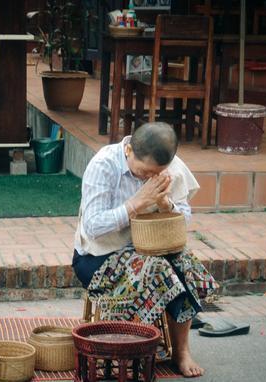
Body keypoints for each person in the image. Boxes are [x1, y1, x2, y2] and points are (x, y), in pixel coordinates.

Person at [72, 122, 217, 378]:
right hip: (97, 257)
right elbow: (92, 226)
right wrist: (136, 204)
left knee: (183, 261)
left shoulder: (170, 167)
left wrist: (165, 204)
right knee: (159, 269)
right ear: (128, 150)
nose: (147, 178)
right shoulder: (104, 164)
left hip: (148, 249)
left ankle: (181, 352)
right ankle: (134, 350)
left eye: (155, 173)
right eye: (143, 172)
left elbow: (183, 220)